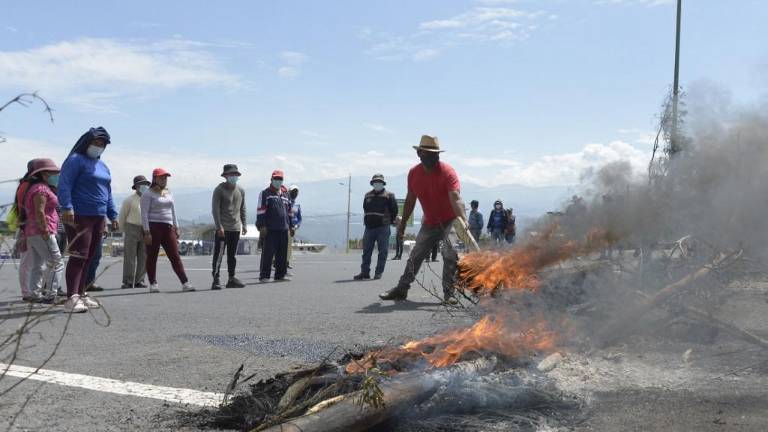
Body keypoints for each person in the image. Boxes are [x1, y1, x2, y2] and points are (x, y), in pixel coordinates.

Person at [379, 135, 466, 304]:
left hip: (450, 221)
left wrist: (463, 221)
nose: (434, 157)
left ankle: (449, 294)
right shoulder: (414, 174)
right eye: (429, 153)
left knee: (450, 253)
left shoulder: (448, 171)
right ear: (419, 153)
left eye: (436, 154)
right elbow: (410, 200)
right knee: (416, 255)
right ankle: (401, 289)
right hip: (430, 222)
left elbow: (456, 197)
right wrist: (403, 223)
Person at [59, 127, 117, 313]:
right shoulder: (75, 160)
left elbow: (108, 192)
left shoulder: (103, 166)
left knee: (90, 257)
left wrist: (112, 214)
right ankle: (71, 298)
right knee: (79, 255)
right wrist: (67, 206)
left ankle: (82, 293)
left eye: (102, 145)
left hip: (98, 216)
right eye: (96, 143)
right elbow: (64, 183)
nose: (98, 147)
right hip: (79, 215)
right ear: (87, 142)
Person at [141, 168, 195, 292]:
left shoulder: (168, 192)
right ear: (154, 179)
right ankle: (153, 283)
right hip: (153, 227)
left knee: (175, 255)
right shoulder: (148, 194)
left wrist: (176, 227)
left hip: (168, 227)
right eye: (161, 178)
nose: (164, 180)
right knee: (152, 256)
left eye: (165, 178)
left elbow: (173, 210)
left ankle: (185, 282)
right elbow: (144, 214)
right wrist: (147, 232)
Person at [22, 159, 64, 304]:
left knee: (38, 265)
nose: (57, 175)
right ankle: (50, 294)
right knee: (56, 262)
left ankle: (35, 293)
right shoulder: (41, 189)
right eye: (54, 173)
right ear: (45, 174)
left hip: (33, 232)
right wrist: (45, 230)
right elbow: (40, 211)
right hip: (42, 231)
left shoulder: (36, 187)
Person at [354, 174, 398, 280]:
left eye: (379, 182)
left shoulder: (389, 195)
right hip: (369, 227)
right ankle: (364, 272)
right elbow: (365, 208)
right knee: (366, 251)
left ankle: (378, 272)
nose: (377, 184)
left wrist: (390, 221)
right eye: (375, 182)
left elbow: (394, 210)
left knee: (383, 251)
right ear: (372, 183)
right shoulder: (367, 195)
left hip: (383, 227)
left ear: (383, 183)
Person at [211, 164, 247, 290]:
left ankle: (231, 278)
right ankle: (216, 278)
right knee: (219, 254)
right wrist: (218, 226)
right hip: (223, 228)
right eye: (231, 174)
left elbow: (242, 208)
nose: (233, 177)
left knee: (232, 256)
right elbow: (215, 210)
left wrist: (244, 224)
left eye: (235, 175)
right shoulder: (219, 189)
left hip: (235, 228)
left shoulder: (241, 190)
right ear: (225, 176)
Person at [257, 170, 293, 283]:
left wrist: (291, 226)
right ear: (271, 179)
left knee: (282, 253)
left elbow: (290, 211)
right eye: (276, 179)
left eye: (280, 179)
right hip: (270, 229)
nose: (278, 181)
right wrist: (261, 226)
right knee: (268, 253)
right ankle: (264, 276)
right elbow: (260, 210)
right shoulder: (265, 193)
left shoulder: (286, 194)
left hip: (284, 228)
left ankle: (280, 275)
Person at [119, 175, 150, 288]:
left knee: (144, 256)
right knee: (130, 256)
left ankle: (139, 280)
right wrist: (122, 230)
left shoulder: (149, 199)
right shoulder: (129, 200)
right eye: (141, 184)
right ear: (136, 186)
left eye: (146, 184)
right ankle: (127, 280)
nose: (144, 186)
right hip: (131, 228)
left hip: (145, 229)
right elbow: (122, 216)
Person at [10, 160, 35, 301]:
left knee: (31, 262)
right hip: (29, 228)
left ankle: (31, 290)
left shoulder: (24, 184)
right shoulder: (29, 185)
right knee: (28, 262)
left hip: (26, 227)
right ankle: (27, 292)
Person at [287, 185, 302, 270]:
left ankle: (287, 261)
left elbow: (299, 218)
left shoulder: (297, 205)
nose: (295, 193)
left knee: (289, 246)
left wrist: (297, 225)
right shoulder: (286, 202)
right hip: (286, 227)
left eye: (296, 192)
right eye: (293, 192)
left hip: (293, 228)